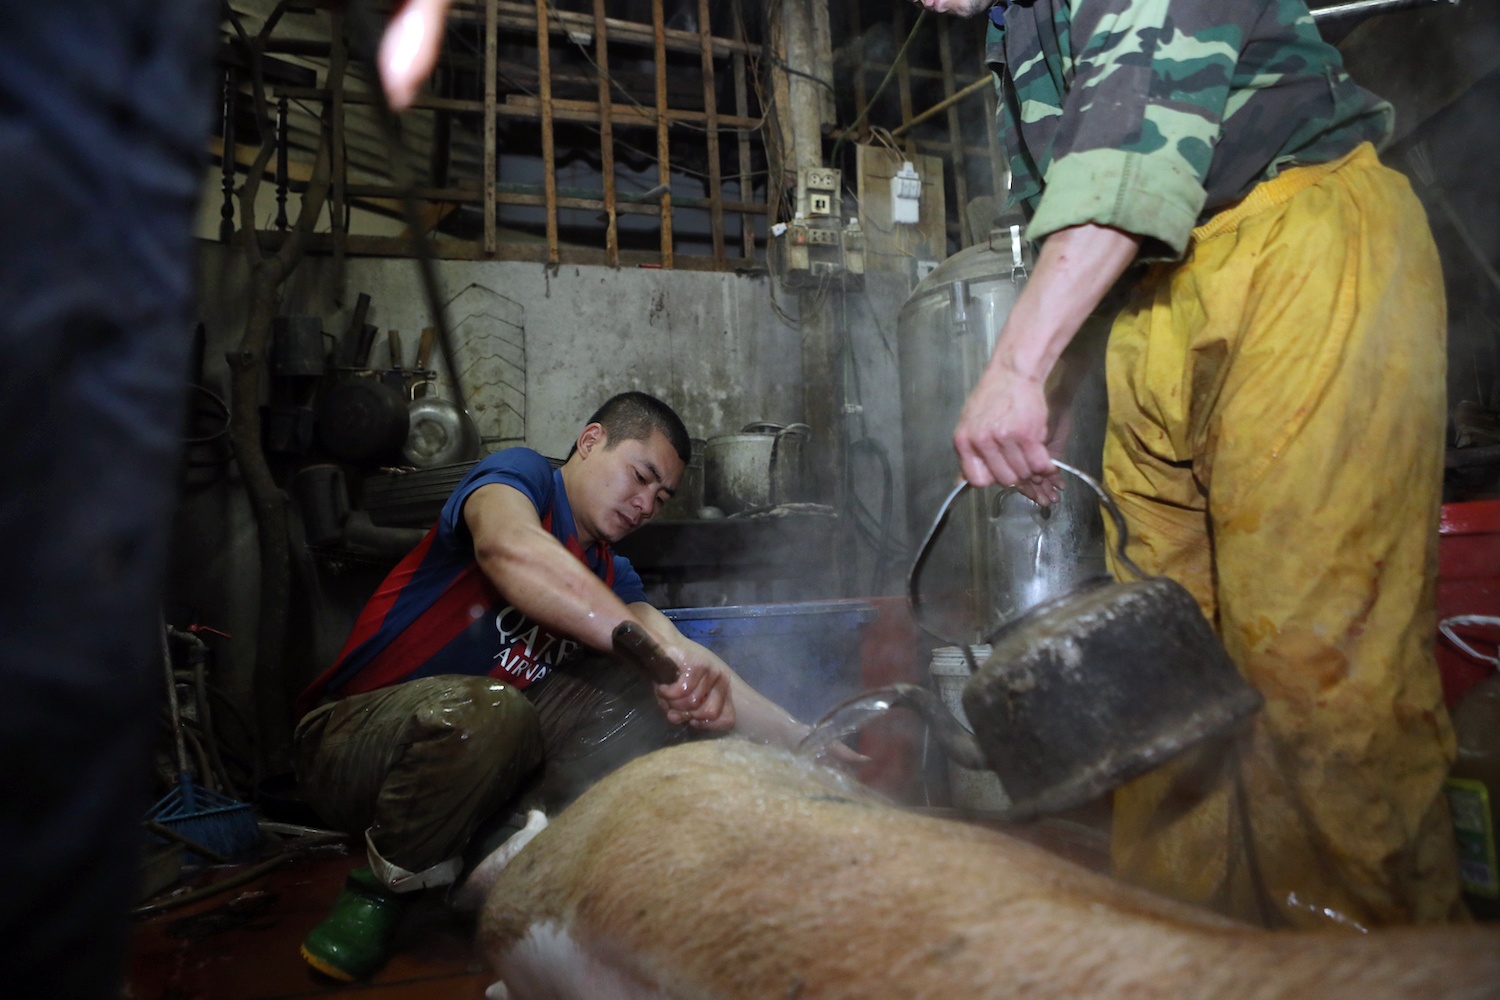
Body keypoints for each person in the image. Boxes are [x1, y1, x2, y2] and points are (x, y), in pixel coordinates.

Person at [920, 0, 1462, 928]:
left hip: (1301, 246)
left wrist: (1017, 362)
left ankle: (1372, 968)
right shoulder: (1013, 34)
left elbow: (1132, 159)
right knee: (1155, 676)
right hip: (1158, 297)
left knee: (1318, 675)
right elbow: (1082, 224)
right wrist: (1056, 381)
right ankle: (1190, 963)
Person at [293, 392, 812, 981]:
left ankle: (501, 854)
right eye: (640, 477)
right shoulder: (521, 478)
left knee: (650, 695)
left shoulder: (613, 572)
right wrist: (634, 640)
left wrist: (807, 739)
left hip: (479, 766)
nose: (645, 505)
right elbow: (505, 544)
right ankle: (377, 893)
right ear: (591, 442)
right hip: (350, 744)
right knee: (495, 710)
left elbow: (684, 658)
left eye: (661, 498)